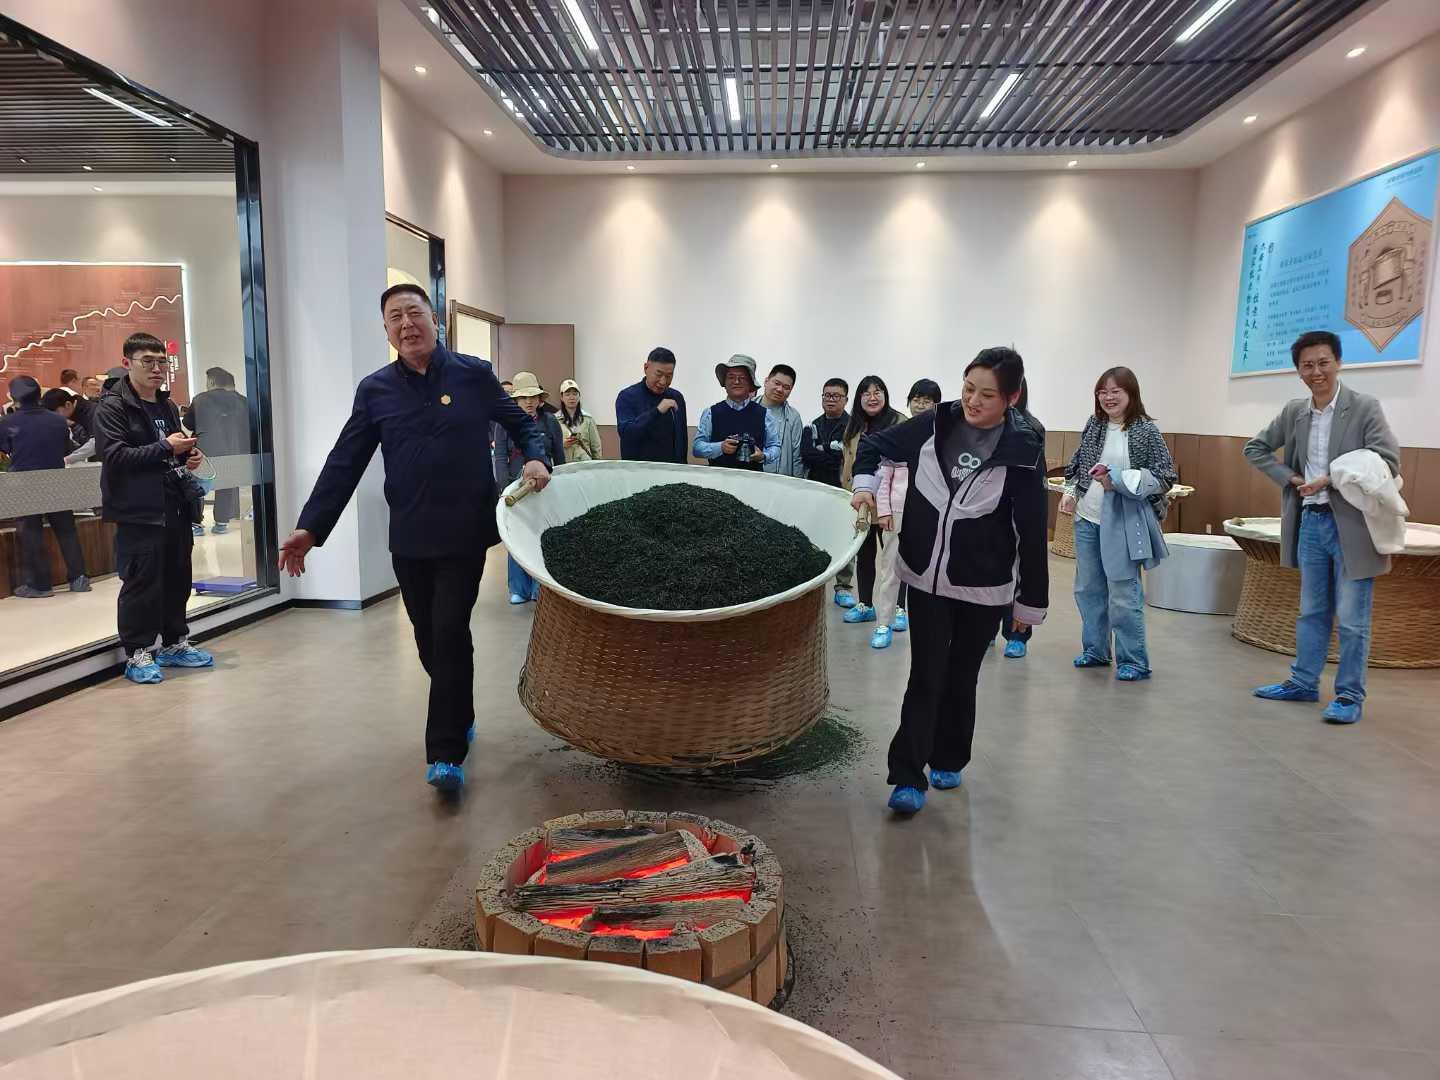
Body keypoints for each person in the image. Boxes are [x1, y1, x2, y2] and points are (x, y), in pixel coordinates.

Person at [280, 284, 550, 793]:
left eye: (414, 313)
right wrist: (310, 527)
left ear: (435, 320)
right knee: (429, 638)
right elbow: (345, 460)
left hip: (465, 531)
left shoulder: (473, 374)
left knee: (448, 631)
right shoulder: (376, 390)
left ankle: (445, 753)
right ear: (386, 330)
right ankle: (460, 710)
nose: (406, 324)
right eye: (395, 318)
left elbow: (522, 424)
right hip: (409, 535)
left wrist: (536, 457)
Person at [851, 348, 1048, 814]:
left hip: (983, 586)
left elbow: (1031, 531)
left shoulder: (1023, 449)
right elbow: (876, 446)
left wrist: (1027, 606)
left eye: (987, 395)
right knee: (925, 674)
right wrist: (864, 486)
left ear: (1012, 398)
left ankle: (949, 756)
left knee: (963, 675)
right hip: (925, 578)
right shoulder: (934, 423)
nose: (973, 401)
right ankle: (906, 775)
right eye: (968, 389)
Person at [1244, 329, 1399, 725]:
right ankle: (1303, 682)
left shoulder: (1364, 407)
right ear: (1298, 371)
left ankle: (1349, 696)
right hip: (1310, 522)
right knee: (1311, 611)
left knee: (1352, 618)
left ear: (1338, 363)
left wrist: (1332, 478)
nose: (1316, 372)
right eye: (1307, 365)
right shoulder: (1294, 412)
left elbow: (1387, 460)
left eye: (1323, 363)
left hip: (1354, 526)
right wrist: (1291, 478)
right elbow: (1255, 448)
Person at [93, 333, 212, 683]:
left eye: (161, 362)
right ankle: (138, 653)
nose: (157, 368)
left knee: (178, 578)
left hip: (174, 505)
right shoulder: (113, 406)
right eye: (148, 361)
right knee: (141, 583)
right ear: (127, 363)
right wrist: (166, 447)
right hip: (138, 511)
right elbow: (114, 456)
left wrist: (188, 455)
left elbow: (171, 450)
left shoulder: (166, 405)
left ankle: (174, 643)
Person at [1060, 367, 1175, 682]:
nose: (1108, 398)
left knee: (1123, 591)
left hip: (1125, 520)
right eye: (1102, 392)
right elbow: (1078, 464)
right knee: (1088, 589)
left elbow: (1165, 476)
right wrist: (1071, 492)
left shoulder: (1145, 430)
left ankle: (1134, 660)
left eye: (1115, 391)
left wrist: (1120, 481)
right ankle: (1096, 650)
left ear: (1131, 394)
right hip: (1088, 517)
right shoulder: (1094, 424)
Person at [0, 376, 91, 598]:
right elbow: (66, 449)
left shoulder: (8, 422)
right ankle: (79, 578)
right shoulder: (58, 421)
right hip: (55, 478)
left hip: (24, 481)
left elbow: (7, 449)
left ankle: (39, 585)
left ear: (14, 397)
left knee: (31, 532)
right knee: (66, 530)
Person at [869, 379, 941, 650]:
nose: (921, 405)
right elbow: (883, 478)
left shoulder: (941, 438)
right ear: (909, 402)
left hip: (927, 516)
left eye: (927, 400)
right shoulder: (898, 435)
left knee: (925, 572)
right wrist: (884, 511)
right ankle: (883, 624)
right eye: (916, 399)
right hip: (897, 513)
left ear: (936, 405)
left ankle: (908, 615)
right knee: (889, 570)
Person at [839, 375, 905, 626]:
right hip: (860, 504)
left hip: (891, 503)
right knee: (864, 556)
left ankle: (898, 609)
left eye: (878, 392)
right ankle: (865, 604)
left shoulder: (899, 422)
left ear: (886, 395)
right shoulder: (854, 425)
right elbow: (847, 462)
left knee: (893, 558)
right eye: (866, 393)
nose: (872, 397)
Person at [494, 371, 565, 604]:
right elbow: (500, 457)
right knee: (516, 537)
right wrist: (505, 488)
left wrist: (561, 481)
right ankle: (518, 588)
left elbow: (559, 455)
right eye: (524, 397)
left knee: (541, 535)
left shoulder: (550, 421)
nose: (529, 401)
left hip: (544, 485)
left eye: (533, 397)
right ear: (515, 400)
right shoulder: (503, 423)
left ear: (540, 399)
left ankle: (539, 587)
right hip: (515, 488)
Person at [998, 377, 1046, 658]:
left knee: (1018, 568)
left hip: (1017, 513)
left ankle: (1018, 634)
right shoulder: (977, 428)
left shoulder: (1031, 428)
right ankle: (985, 628)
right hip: (987, 515)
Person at [802, 378, 855, 606]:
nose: (830, 399)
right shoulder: (812, 425)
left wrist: (822, 450)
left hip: (844, 490)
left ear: (846, 399)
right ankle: (813, 585)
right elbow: (806, 454)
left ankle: (843, 587)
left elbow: (846, 458)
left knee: (846, 538)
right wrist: (830, 452)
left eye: (836, 396)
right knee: (815, 536)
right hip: (816, 489)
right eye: (827, 395)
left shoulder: (853, 427)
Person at [183, 366, 249, 536]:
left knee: (198, 486)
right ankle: (221, 523)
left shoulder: (200, 399)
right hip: (233, 449)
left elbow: (188, 423)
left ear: (211, 381)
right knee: (226, 485)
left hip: (205, 450)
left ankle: (196, 524)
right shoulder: (243, 401)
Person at [692, 354, 780, 469]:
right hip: (717, 478)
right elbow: (697, 448)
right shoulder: (711, 413)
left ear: (751, 383)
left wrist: (764, 456)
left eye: (742, 378)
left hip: (753, 478)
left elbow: (775, 446)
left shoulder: (765, 414)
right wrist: (720, 447)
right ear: (724, 382)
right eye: (731, 377)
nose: (736, 381)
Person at [616, 346, 688, 463]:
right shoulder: (627, 396)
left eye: (669, 376)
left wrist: (682, 467)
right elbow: (626, 434)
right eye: (658, 374)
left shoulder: (676, 397)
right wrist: (657, 411)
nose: (663, 381)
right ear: (646, 368)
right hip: (638, 470)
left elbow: (682, 440)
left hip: (671, 469)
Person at [755, 363, 805, 478]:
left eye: (786, 387)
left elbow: (797, 456)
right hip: (750, 477)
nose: (779, 389)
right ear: (766, 381)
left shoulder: (793, 417)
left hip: (780, 481)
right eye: (777, 383)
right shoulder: (748, 407)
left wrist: (798, 483)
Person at [557, 378, 602, 462]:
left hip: (585, 463)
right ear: (562, 397)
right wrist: (562, 445)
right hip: (564, 464)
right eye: (567, 394)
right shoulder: (555, 420)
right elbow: (550, 446)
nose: (571, 397)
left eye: (575, 394)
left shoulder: (588, 419)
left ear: (579, 396)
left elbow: (596, 447)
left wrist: (597, 464)